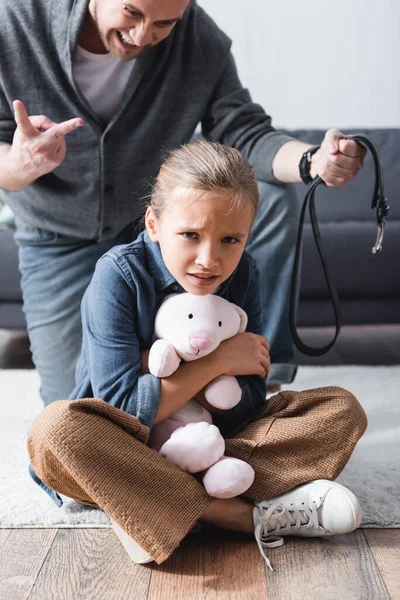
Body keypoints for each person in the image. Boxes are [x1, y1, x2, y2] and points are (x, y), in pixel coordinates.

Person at [0, 0, 366, 405]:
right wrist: (19, 163)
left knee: (274, 198)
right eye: (131, 13)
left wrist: (312, 161)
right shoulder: (13, 24)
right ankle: (199, 363)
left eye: (164, 23)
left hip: (162, 230)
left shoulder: (198, 36)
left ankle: (259, 374)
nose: (142, 36)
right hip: (58, 235)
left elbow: (241, 127)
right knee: (74, 411)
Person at [28, 142, 367, 570]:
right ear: (153, 223)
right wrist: (218, 361)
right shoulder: (117, 275)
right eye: (190, 235)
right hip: (123, 446)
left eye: (230, 239)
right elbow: (121, 412)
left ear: (248, 233)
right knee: (54, 432)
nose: (209, 260)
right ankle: (234, 515)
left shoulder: (244, 273)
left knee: (342, 410)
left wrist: (206, 385)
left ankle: (148, 502)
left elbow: (247, 404)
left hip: (213, 443)